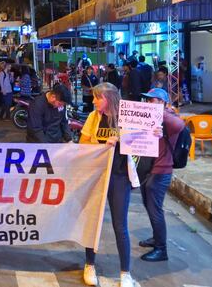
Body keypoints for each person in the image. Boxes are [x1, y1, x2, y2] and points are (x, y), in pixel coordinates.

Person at [79, 82, 137, 287]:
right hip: (97, 176)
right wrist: (103, 145)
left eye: (97, 98)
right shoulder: (93, 117)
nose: (93, 101)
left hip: (120, 177)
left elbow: (142, 142)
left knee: (120, 225)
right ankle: (89, 264)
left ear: (109, 99)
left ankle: (125, 272)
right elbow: (83, 144)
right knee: (93, 222)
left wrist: (154, 134)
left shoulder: (128, 118)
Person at [137, 88, 185, 262]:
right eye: (149, 101)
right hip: (147, 167)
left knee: (155, 209)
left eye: (155, 101)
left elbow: (181, 125)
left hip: (161, 170)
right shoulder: (149, 118)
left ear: (164, 103)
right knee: (148, 205)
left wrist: (161, 114)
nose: (150, 104)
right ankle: (156, 238)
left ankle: (161, 249)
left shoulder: (169, 119)